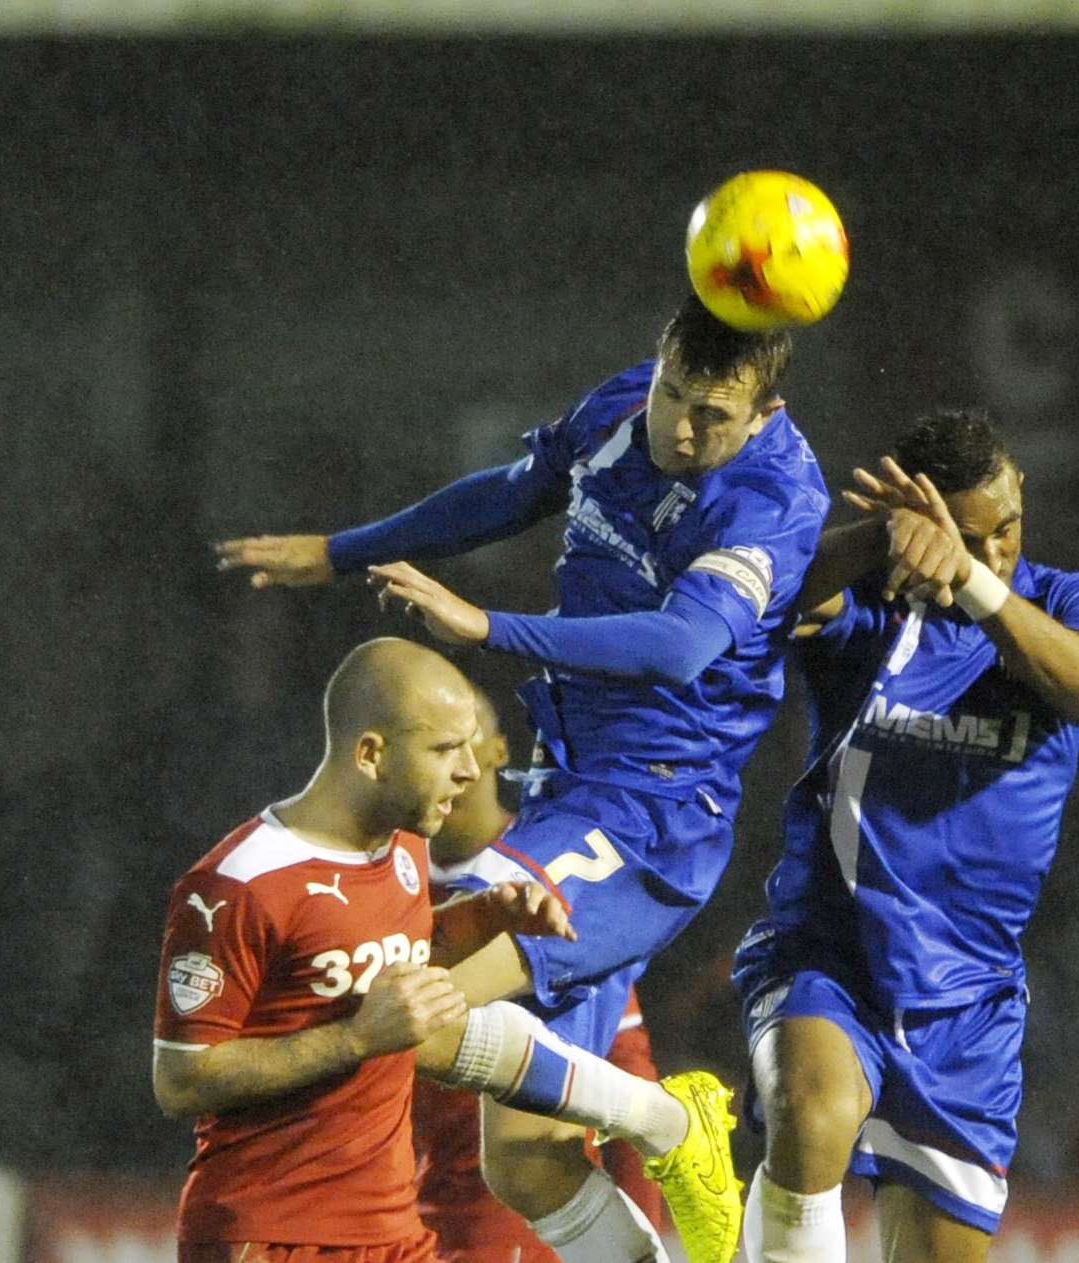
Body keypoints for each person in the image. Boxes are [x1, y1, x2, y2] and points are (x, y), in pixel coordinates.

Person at [214, 295, 830, 1263]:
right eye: (673, 392)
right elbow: (511, 489)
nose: (678, 427)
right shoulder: (625, 411)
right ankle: (662, 1147)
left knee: (414, 1003)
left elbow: (680, 646)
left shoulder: (774, 496)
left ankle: (674, 1128)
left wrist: (487, 626)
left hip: (649, 808)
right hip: (565, 784)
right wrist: (340, 552)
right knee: (526, 1158)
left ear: (762, 411)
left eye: (710, 415)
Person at [730, 409, 1079, 1262]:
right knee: (814, 1115)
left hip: (967, 1000)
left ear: (1020, 485)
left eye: (1007, 531)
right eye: (968, 537)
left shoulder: (1067, 604)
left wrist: (981, 585)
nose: (992, 554)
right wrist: (877, 534)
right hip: (830, 952)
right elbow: (774, 587)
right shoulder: (872, 610)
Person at [152, 637, 579, 1262]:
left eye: (469, 746)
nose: (469, 769)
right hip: (270, 1236)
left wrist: (487, 917)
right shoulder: (235, 886)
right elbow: (182, 1081)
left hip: (392, 1232)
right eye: (443, 749)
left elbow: (387, 954)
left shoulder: (404, 846)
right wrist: (355, 1039)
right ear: (372, 754)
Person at [412, 683, 665, 1262]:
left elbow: (627, 1063)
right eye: (431, 739)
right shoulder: (393, 883)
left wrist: (641, 1233)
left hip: (525, 1215)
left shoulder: (554, 875)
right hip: (413, 1210)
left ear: (501, 750)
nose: (451, 754)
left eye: (464, 733)